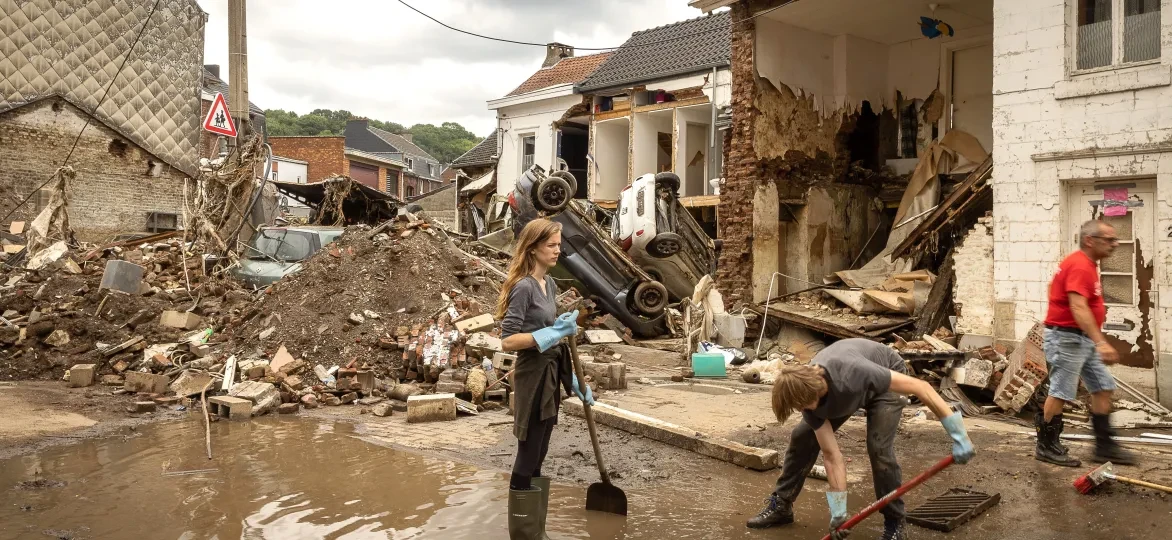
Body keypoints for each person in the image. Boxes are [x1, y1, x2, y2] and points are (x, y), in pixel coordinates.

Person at [747, 339, 975, 540]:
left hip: (885, 376)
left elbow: (922, 388)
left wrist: (959, 435)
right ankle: (782, 505)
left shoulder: (855, 372)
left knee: (879, 448)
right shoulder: (808, 399)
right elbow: (831, 455)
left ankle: (895, 521)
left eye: (802, 406)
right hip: (844, 391)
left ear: (814, 393)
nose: (801, 410)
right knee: (803, 435)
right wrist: (838, 511)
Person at [496, 218, 594, 540]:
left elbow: (553, 340)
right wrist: (552, 330)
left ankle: (534, 530)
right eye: (551, 245)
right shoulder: (523, 286)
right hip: (532, 378)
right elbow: (508, 341)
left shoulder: (548, 284)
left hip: (551, 375)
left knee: (541, 451)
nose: (557, 250)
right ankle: (522, 533)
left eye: (558, 244)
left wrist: (575, 381)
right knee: (528, 452)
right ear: (534, 247)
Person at [1035, 220, 1136, 467]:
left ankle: (1104, 446)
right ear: (1090, 240)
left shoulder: (1085, 264)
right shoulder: (1080, 265)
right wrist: (1101, 343)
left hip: (1081, 338)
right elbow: (1078, 306)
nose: (1115, 244)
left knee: (1102, 387)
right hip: (1068, 338)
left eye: (1115, 239)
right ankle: (1046, 446)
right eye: (1109, 239)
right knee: (1060, 392)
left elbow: (1053, 288)